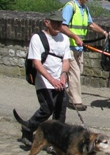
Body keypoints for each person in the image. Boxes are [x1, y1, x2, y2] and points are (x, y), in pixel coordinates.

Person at [18, 11, 72, 147]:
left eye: (60, 23)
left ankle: (56, 142)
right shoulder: (37, 38)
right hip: (43, 80)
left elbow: (66, 60)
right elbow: (37, 63)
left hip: (59, 80)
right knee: (47, 108)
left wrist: (63, 75)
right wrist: (51, 80)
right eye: (55, 23)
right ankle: (28, 128)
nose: (58, 25)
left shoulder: (64, 39)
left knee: (60, 110)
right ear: (47, 22)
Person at [61, 0, 108, 111]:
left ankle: (62, 94)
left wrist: (104, 33)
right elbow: (62, 26)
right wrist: (75, 37)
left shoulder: (84, 8)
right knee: (75, 74)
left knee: (77, 72)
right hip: (69, 47)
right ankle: (76, 102)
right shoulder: (70, 7)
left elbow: (91, 24)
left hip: (78, 48)